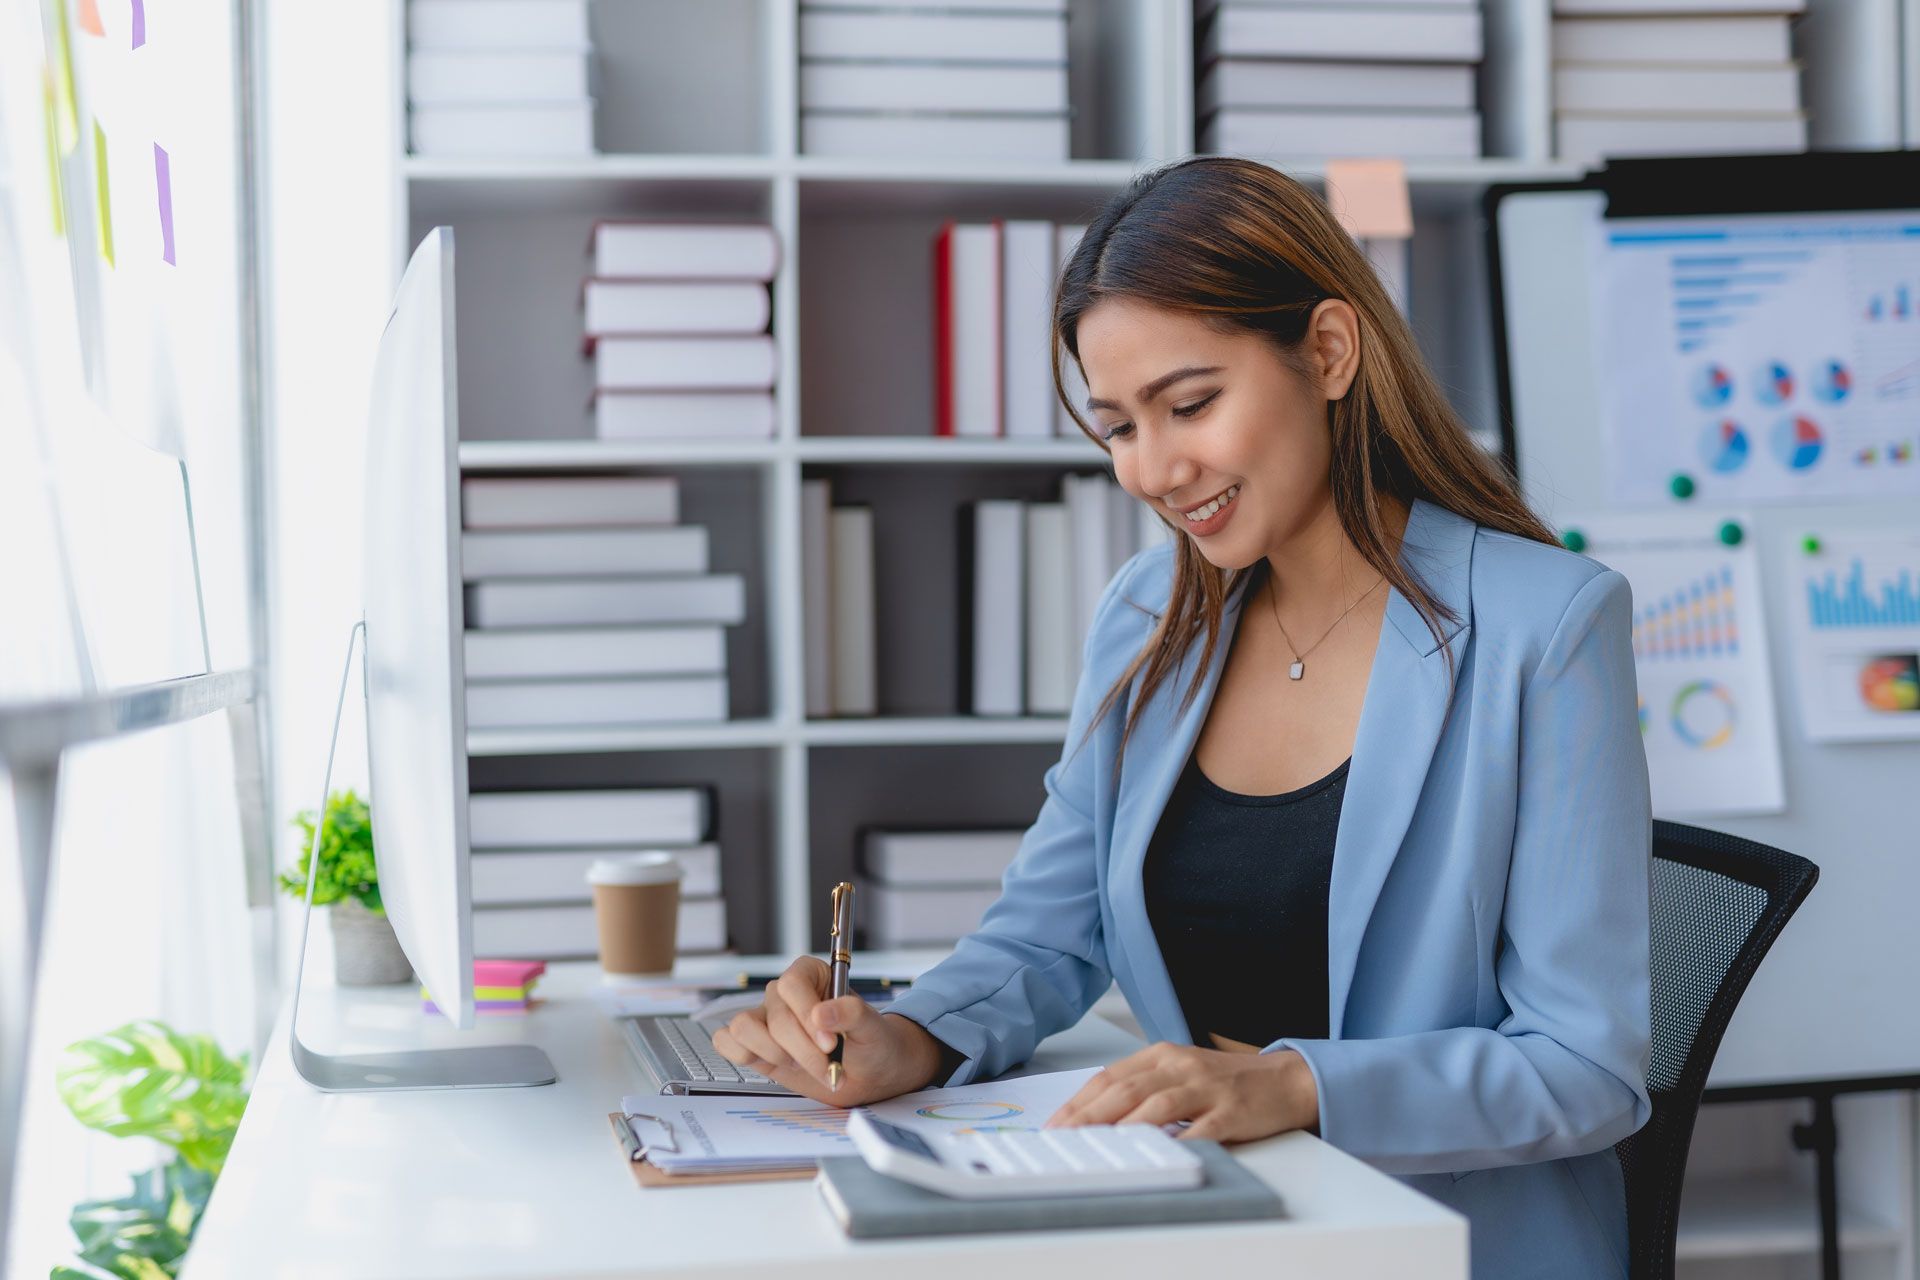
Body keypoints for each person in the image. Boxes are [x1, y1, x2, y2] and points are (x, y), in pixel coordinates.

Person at [713, 156, 1652, 1280]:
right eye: (1117, 425)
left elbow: (1587, 1064)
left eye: (1191, 403)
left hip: (1439, 1242)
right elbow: (1046, 933)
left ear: (1330, 351)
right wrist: (904, 1037)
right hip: (1202, 1226)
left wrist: (1294, 1084)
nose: (1154, 468)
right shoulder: (1148, 615)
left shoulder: (1544, 624)